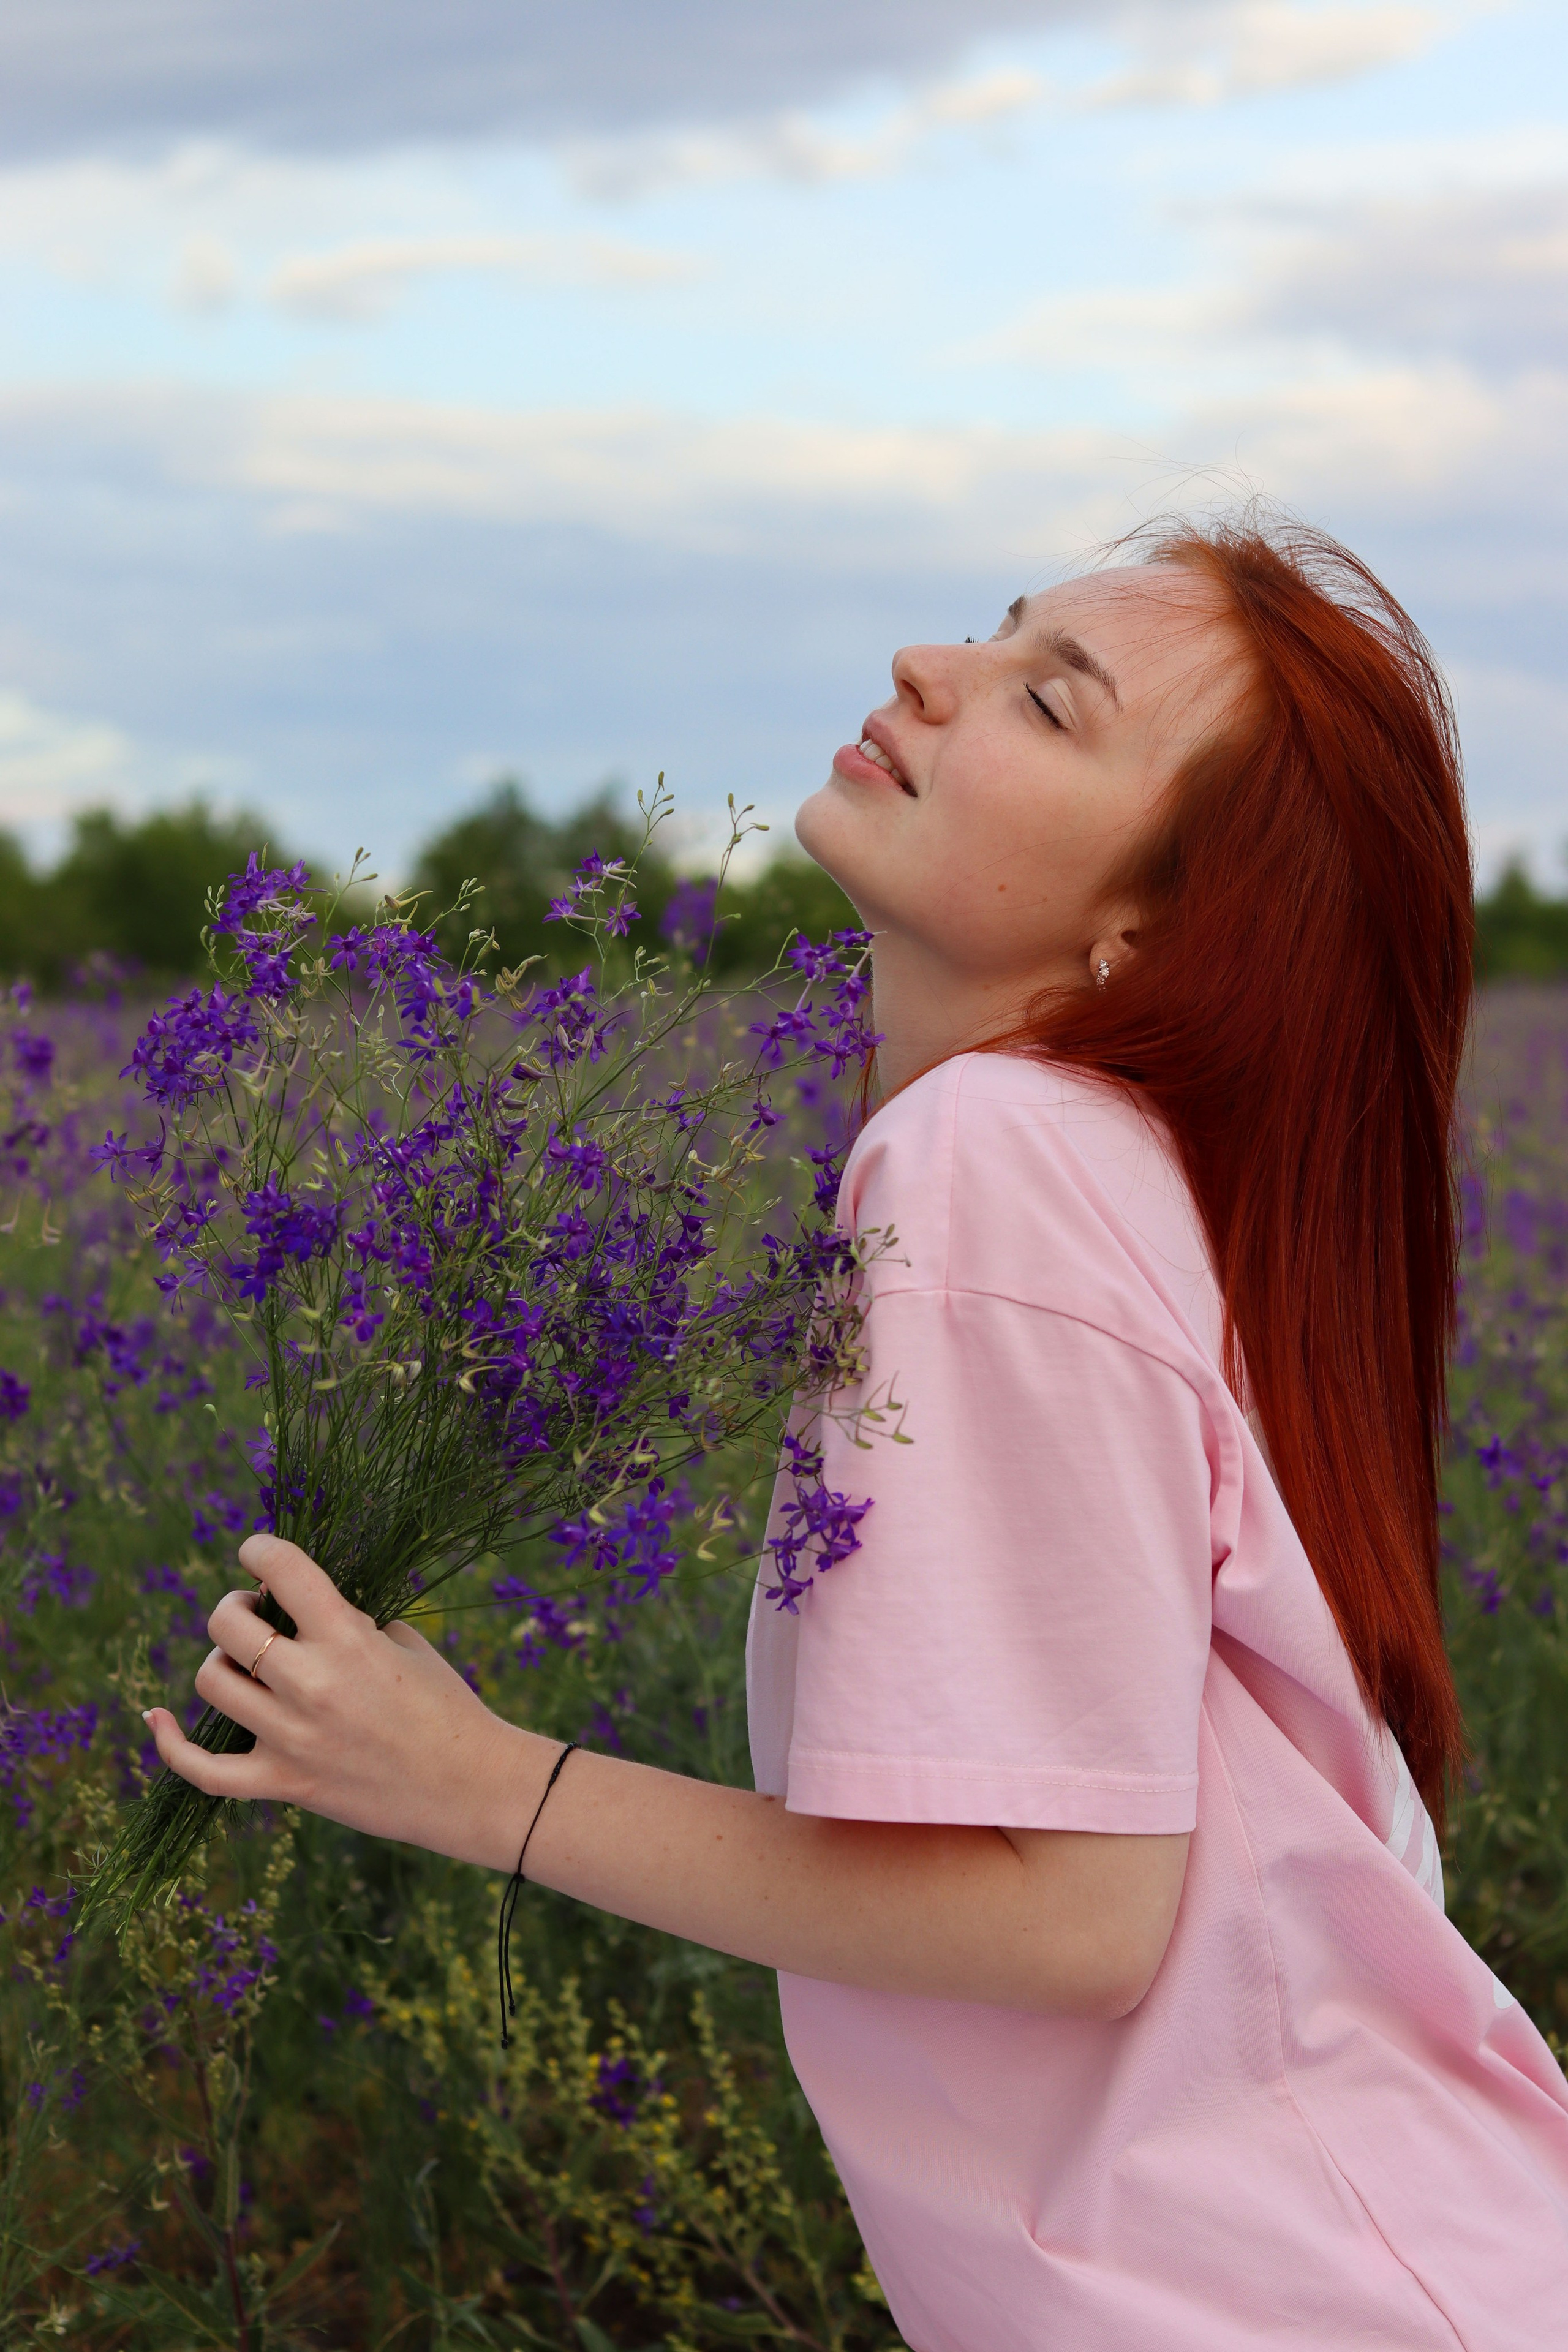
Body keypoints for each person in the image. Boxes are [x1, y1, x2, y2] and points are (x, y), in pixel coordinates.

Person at [147, 513, 1568, 2350]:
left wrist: (477, 1786)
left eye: (1051, 706)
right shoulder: (1120, 1178)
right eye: (997, 636)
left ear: (1157, 921)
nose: (933, 669)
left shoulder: (1000, 1165)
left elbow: (1074, 1920)